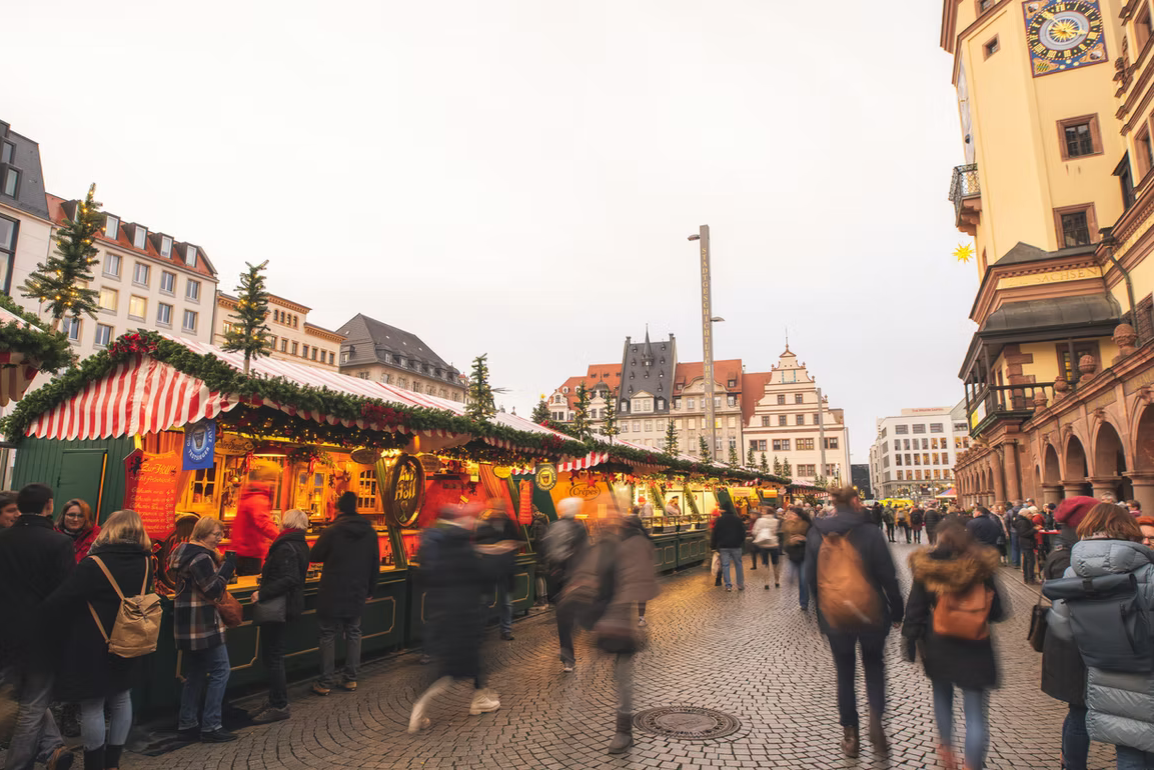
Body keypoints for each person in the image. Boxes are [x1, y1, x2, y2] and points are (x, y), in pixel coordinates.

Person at [41, 510, 153, 770]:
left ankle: (94, 764)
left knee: (92, 704)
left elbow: (61, 600)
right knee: (122, 699)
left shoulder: (95, 564)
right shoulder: (147, 562)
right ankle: (112, 763)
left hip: (93, 641)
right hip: (129, 640)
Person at [1048, 504, 1154, 769]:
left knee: (1128, 740)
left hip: (1102, 669)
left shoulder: (1073, 572)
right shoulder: (1147, 571)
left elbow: (1061, 627)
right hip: (1147, 668)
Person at [805, 486, 904, 757]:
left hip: (835, 614)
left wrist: (821, 613)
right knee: (874, 667)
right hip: (870, 611)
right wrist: (897, 611)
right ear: (856, 502)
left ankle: (850, 736)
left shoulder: (817, 532)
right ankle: (877, 722)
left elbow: (812, 579)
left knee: (844, 673)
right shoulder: (871, 531)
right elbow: (888, 576)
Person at [902, 518, 1005, 770]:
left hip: (939, 641)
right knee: (975, 713)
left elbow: (914, 610)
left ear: (937, 538)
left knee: (942, 697)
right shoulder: (981, 566)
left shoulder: (928, 567)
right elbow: (999, 611)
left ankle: (946, 750)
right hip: (976, 642)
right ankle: (972, 765)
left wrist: (910, 640)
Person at [563, 505, 659, 754]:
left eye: (609, 518)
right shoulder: (603, 546)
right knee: (598, 672)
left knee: (622, 677)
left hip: (619, 623)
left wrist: (617, 612)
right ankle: (576, 719)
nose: (604, 521)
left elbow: (642, 584)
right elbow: (587, 574)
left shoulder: (633, 544)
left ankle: (623, 731)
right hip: (600, 619)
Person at [408, 504, 510, 732]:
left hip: (441, 614)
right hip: (464, 617)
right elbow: (486, 578)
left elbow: (425, 576)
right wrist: (497, 554)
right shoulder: (467, 552)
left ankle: (479, 697)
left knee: (465, 664)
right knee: (454, 669)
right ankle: (423, 707)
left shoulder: (438, 547)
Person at [0, 483, 75, 770]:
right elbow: (65, 593)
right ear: (50, 505)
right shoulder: (58, 543)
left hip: (6, 634)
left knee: (14, 698)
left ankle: (44, 752)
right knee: (33, 708)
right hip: (42, 638)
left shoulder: (4, 539)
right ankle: (17, 765)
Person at [170, 516, 237, 743]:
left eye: (220, 534)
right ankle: (211, 725)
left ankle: (187, 723)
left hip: (186, 622)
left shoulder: (183, 552)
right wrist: (227, 568)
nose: (219, 538)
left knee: (195, 673)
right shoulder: (201, 557)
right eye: (216, 534)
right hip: (203, 622)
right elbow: (213, 590)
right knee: (221, 670)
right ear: (202, 533)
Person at [1041, 496, 1096, 770]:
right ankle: (1072, 764)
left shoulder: (1063, 550)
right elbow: (1066, 612)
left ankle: (1069, 760)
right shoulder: (1068, 558)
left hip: (1070, 645)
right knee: (1079, 710)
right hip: (1075, 647)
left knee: (1078, 710)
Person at [310, 491, 380, 696]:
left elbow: (315, 555)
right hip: (357, 589)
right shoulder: (370, 532)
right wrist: (370, 589)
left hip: (332, 589)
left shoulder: (333, 531)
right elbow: (375, 563)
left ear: (339, 508)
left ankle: (325, 682)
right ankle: (350, 679)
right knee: (353, 632)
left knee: (328, 634)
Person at [250, 509, 310, 724]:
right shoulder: (300, 543)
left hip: (278, 607)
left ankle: (279, 704)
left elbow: (290, 578)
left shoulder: (286, 545)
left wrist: (262, 592)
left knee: (273, 657)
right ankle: (274, 699)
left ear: (287, 523)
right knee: (273, 656)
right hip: (287, 606)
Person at [546, 498, 590, 672]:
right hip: (575, 579)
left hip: (558, 578)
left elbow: (545, 551)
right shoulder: (579, 528)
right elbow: (586, 554)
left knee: (563, 619)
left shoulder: (553, 527)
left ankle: (568, 657)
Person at [475, 501, 521, 641]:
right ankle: (481, 631)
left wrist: (509, 546)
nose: (498, 511)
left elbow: (519, 542)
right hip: (489, 571)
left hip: (505, 570)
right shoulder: (484, 525)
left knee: (506, 603)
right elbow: (476, 545)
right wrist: (496, 548)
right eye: (495, 508)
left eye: (500, 508)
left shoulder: (510, 524)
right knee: (485, 602)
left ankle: (506, 630)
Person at [230, 464, 280, 577]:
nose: (275, 484)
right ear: (264, 479)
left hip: (242, 551)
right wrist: (283, 537)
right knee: (251, 587)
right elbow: (264, 523)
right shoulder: (258, 498)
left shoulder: (250, 495)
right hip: (250, 553)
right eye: (272, 480)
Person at [710, 501, 746, 592]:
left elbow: (715, 534)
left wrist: (713, 546)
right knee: (738, 565)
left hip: (724, 546)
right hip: (736, 546)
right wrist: (740, 542)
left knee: (725, 565)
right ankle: (740, 584)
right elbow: (743, 533)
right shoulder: (737, 519)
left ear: (723, 510)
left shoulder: (720, 520)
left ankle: (728, 585)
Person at [781, 507, 812, 610]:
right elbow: (784, 543)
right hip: (792, 555)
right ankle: (787, 601)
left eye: (793, 514)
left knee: (803, 580)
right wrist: (790, 543)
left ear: (799, 516)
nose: (790, 516)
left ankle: (804, 602)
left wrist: (804, 539)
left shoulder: (807, 526)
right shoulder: (787, 526)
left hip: (804, 556)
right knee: (789, 578)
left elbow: (813, 541)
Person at [56, 498, 100, 563]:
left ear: (87, 518)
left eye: (81, 516)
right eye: (71, 515)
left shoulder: (96, 538)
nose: (75, 519)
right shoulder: (52, 534)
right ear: (63, 516)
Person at [751, 506, 781, 589]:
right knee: (775, 564)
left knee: (765, 564)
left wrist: (760, 534)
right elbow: (775, 532)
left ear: (766, 512)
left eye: (763, 511)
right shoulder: (775, 521)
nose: (761, 512)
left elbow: (754, 531)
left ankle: (766, 582)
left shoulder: (760, 521)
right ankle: (777, 581)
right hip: (773, 544)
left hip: (763, 544)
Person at [529, 508, 550, 608]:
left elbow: (538, 539)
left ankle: (541, 600)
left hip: (538, 552)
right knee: (541, 575)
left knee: (538, 575)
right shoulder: (543, 520)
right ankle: (544, 598)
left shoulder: (537, 522)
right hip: (544, 551)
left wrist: (527, 540)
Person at [1015, 507, 1039, 584]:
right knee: (1030, 561)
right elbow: (1024, 533)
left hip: (1024, 543)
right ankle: (1030, 578)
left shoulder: (1021, 521)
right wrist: (1035, 530)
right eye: (1029, 513)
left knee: (1026, 560)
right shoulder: (1023, 522)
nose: (1031, 515)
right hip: (1027, 543)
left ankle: (1027, 578)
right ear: (1025, 514)